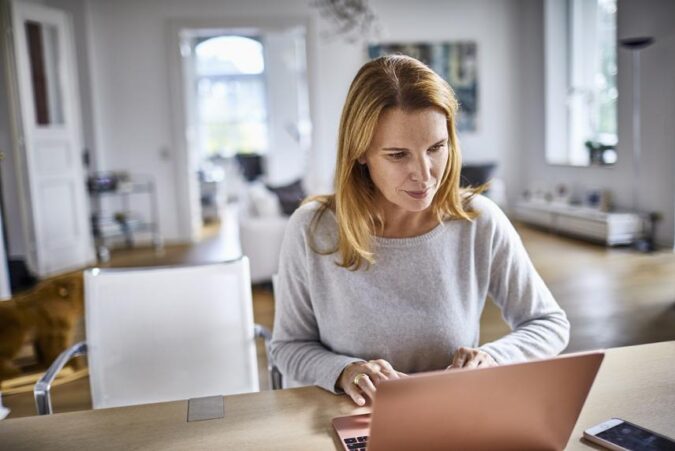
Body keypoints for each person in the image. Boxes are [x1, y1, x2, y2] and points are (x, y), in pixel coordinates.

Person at [269, 55, 570, 406]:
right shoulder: (312, 229)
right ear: (360, 152)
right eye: (398, 155)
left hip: (452, 419)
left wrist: (494, 359)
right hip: (355, 421)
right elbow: (288, 348)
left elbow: (549, 322)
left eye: (436, 148)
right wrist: (345, 371)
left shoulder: (479, 221)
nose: (425, 174)